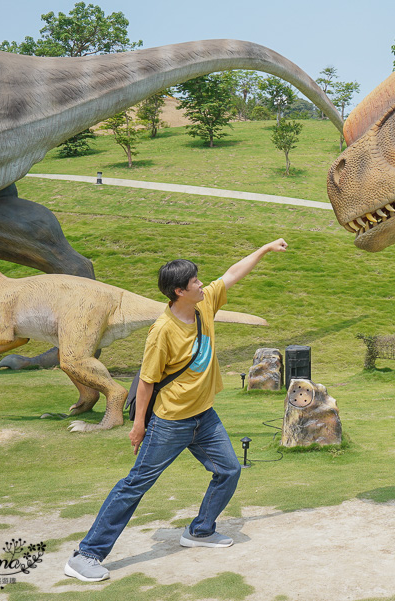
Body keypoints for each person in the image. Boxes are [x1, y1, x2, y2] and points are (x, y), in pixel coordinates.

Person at [64, 239, 288, 582]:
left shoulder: (204, 304)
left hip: (205, 417)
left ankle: (200, 531)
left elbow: (232, 274)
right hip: (170, 423)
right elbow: (147, 382)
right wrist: (138, 425)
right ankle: (86, 554)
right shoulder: (162, 332)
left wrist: (265, 249)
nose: (202, 284)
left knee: (228, 470)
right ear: (180, 291)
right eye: (195, 281)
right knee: (135, 484)